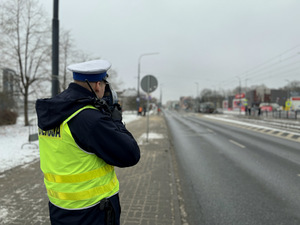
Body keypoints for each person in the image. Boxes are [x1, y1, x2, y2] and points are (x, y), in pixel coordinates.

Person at [36, 59, 140, 225]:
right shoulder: (90, 119)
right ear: (98, 85)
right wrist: (115, 119)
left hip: (59, 209)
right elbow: (131, 154)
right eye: (105, 84)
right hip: (93, 211)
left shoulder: (54, 111)